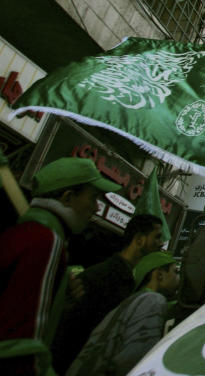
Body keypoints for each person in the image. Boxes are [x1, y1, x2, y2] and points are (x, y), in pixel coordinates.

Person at [0, 157, 120, 376]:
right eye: (93, 198)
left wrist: (58, 298)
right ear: (67, 198)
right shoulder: (46, 241)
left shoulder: (25, 234)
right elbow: (22, 345)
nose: (95, 208)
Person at [52, 213, 164, 373]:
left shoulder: (124, 277)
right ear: (140, 240)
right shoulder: (106, 276)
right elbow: (73, 331)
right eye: (157, 237)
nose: (161, 244)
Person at [66, 251, 179, 376]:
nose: (178, 278)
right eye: (175, 272)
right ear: (159, 275)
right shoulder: (152, 300)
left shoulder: (132, 301)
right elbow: (138, 356)